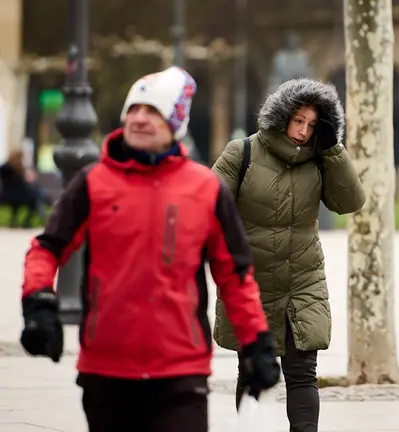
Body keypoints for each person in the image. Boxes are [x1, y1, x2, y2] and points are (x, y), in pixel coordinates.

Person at [18, 66, 281, 432]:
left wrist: (257, 344)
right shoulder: (93, 183)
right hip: (106, 371)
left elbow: (235, 276)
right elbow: (47, 248)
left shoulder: (205, 189)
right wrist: (38, 303)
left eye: (154, 111)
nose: (140, 118)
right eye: (135, 109)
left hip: (180, 372)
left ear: (176, 123)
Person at [212, 78, 366, 431]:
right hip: (252, 281)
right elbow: (209, 204)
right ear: (282, 116)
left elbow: (350, 202)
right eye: (298, 121)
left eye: (312, 125)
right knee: (252, 371)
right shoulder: (243, 152)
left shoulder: (321, 159)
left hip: (303, 279)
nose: (303, 131)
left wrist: (333, 150)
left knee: (302, 373)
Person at [0, 149, 47, 227]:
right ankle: (29, 221)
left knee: (37, 193)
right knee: (36, 197)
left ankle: (14, 220)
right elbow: (23, 185)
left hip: (8, 195)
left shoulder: (5, 168)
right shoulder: (17, 169)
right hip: (19, 195)